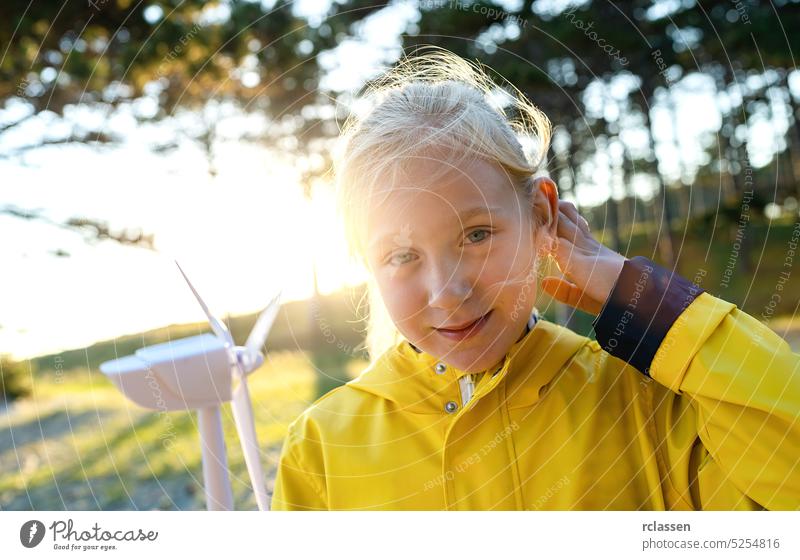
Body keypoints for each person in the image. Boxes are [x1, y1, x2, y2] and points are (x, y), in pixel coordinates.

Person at [270, 48, 799, 511]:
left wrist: (638, 296)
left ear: (541, 216)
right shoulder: (321, 449)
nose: (447, 292)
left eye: (476, 235)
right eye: (402, 254)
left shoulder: (643, 403)